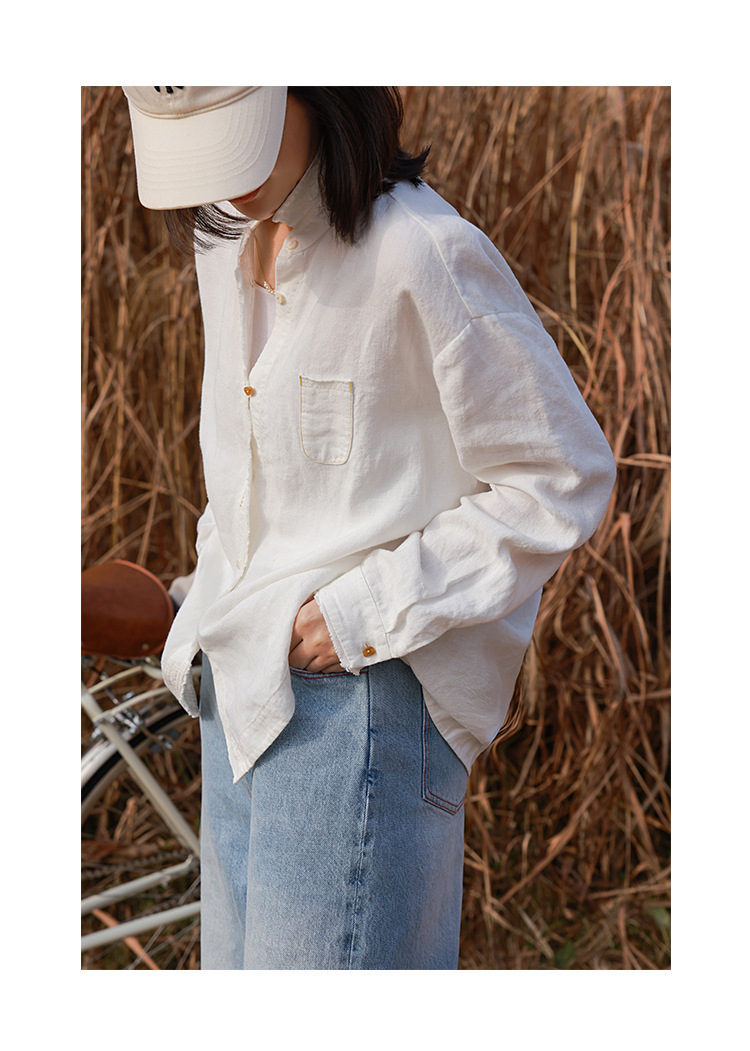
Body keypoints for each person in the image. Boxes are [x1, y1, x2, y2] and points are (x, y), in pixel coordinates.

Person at [122, 85, 616, 970]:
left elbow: (562, 476)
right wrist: (209, 593)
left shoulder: (421, 253)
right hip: (236, 684)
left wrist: (361, 612)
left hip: (360, 706)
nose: (226, 181)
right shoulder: (225, 240)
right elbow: (245, 467)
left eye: (233, 138)